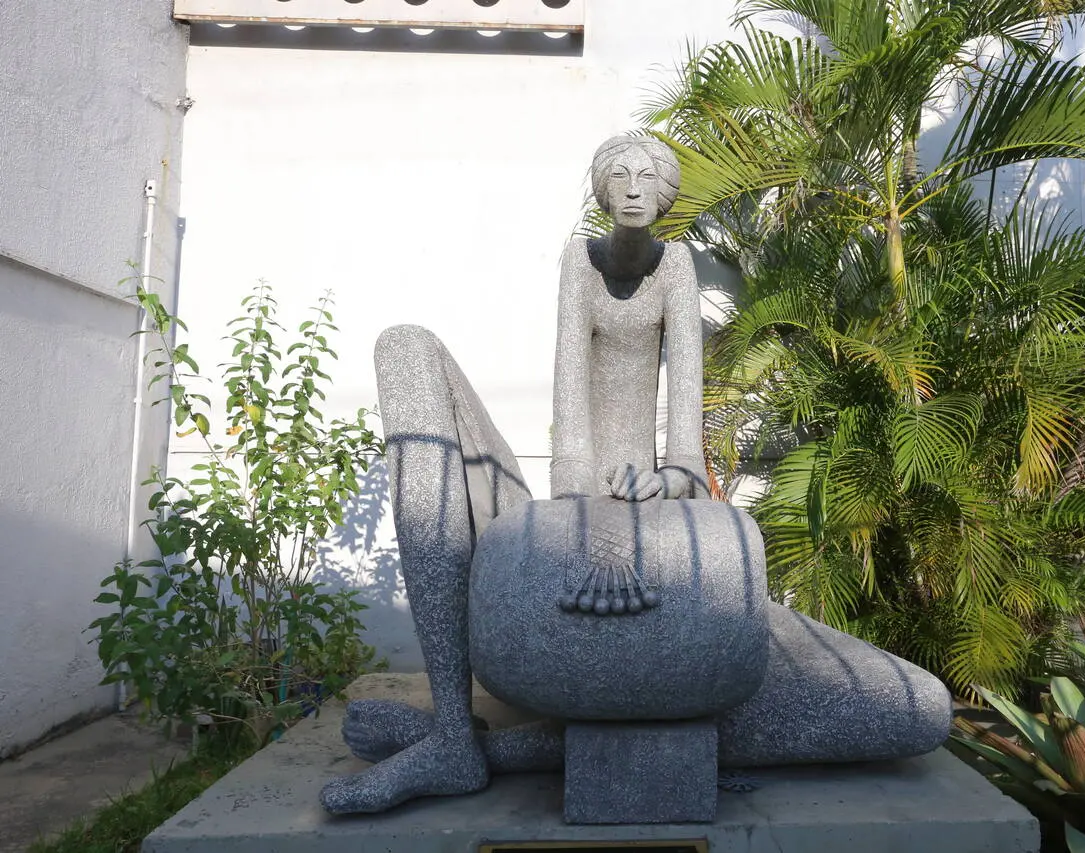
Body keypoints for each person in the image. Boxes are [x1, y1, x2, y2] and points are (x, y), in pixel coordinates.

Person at [320, 136, 951, 816]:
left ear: (664, 194)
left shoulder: (675, 264)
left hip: (657, 518)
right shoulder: (579, 261)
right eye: (618, 174)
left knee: (920, 708)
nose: (630, 186)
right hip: (568, 509)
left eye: (646, 176)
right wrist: (586, 524)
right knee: (405, 346)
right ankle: (450, 724)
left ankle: (481, 748)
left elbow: (683, 444)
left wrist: (673, 479)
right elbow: (570, 430)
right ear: (600, 189)